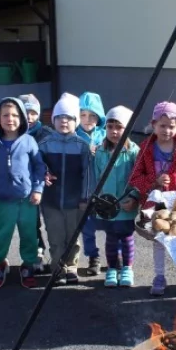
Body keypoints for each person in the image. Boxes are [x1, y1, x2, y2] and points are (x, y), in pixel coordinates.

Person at [128, 101, 176, 297]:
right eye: (162, 125)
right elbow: (135, 178)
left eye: (171, 126)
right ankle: (160, 276)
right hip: (155, 206)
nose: (167, 130)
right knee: (159, 241)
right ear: (153, 125)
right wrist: (154, 181)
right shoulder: (146, 148)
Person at [0, 97, 47, 289]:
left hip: (26, 200)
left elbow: (39, 167)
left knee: (29, 234)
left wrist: (38, 189)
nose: (10, 119)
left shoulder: (29, 141)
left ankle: (28, 265)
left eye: (14, 115)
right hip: (2, 200)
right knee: (0, 235)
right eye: (5, 115)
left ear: (21, 119)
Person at [39, 93, 94, 284]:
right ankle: (57, 268)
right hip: (51, 201)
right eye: (60, 117)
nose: (64, 121)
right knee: (55, 237)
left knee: (73, 236)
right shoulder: (45, 144)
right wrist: (43, 172)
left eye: (69, 118)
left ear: (76, 121)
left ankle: (71, 266)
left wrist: (85, 197)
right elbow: (38, 165)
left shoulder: (82, 146)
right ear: (53, 120)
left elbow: (87, 173)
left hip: (74, 201)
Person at [93, 106, 139, 288]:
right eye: (110, 127)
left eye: (118, 127)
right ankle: (112, 268)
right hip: (106, 205)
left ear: (126, 129)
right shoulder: (100, 152)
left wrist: (135, 197)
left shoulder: (134, 152)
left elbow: (139, 177)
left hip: (126, 204)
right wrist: (95, 198)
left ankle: (127, 268)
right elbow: (96, 177)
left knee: (127, 238)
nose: (113, 131)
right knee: (111, 238)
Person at [21, 93, 52, 273]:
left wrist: (49, 171)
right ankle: (36, 252)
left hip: (44, 185)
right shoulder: (15, 134)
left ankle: (56, 254)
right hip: (25, 187)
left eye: (33, 113)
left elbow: (52, 157)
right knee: (31, 222)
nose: (30, 117)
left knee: (50, 221)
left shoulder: (46, 133)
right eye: (26, 113)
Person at [77, 92, 107, 276]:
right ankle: (93, 257)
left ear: (99, 117)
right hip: (83, 193)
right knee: (87, 228)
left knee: (111, 226)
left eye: (93, 115)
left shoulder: (105, 136)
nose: (88, 119)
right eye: (83, 115)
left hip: (104, 192)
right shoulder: (73, 136)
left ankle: (116, 256)